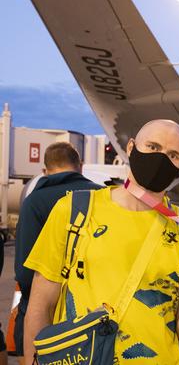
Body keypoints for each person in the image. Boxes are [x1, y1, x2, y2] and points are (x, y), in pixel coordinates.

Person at [23, 119, 179, 363]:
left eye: (173, 155)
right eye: (153, 147)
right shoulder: (76, 210)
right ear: (130, 147)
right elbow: (41, 306)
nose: (161, 160)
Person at [13, 142, 102, 363]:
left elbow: (25, 273)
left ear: (44, 171)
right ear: (80, 166)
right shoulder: (103, 197)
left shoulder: (35, 202)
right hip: (93, 315)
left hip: (44, 317)